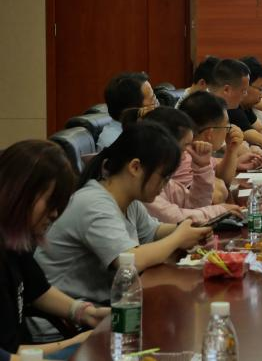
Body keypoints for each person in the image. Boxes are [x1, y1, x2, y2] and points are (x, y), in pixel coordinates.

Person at [35, 122, 210, 304]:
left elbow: (152, 231)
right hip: (66, 314)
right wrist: (179, 238)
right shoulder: (94, 204)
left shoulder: (129, 200)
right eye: (164, 177)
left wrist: (187, 228)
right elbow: (131, 261)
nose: (165, 185)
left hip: (99, 304)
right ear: (135, 167)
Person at [0, 141, 109, 361]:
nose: (54, 214)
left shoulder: (14, 238)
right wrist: (76, 342)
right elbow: (8, 354)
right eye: (51, 202)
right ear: (19, 192)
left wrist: (86, 314)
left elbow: (38, 290)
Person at [123, 107, 243, 224]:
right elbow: (173, 218)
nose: (185, 156)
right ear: (164, 145)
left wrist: (202, 168)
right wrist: (220, 211)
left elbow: (195, 205)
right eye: (183, 148)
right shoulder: (141, 180)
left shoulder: (165, 181)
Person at [97, 72, 158, 150]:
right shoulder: (115, 143)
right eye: (153, 98)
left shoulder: (140, 130)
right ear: (132, 109)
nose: (157, 103)